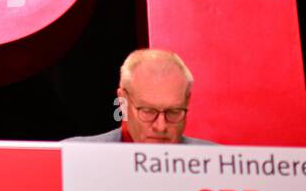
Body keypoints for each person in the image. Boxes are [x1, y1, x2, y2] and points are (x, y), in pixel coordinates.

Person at [64, 48, 215, 144]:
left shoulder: (216, 166)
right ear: (122, 103)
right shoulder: (73, 158)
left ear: (187, 101)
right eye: (148, 111)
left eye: (173, 112)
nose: (160, 127)